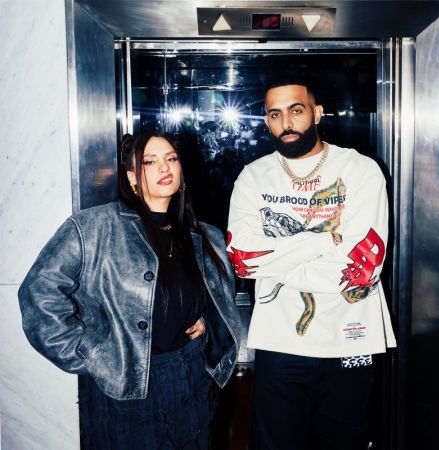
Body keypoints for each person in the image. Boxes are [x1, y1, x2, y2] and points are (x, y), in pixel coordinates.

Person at [18, 131, 241, 450]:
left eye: (171, 159)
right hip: (127, 388)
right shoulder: (94, 227)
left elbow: (221, 294)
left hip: (191, 377)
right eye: (150, 162)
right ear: (132, 177)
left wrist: (206, 320)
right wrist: (92, 354)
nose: (165, 167)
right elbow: (38, 294)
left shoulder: (205, 235)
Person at [226, 80, 396, 450]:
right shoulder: (253, 176)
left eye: (296, 110)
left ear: (317, 114)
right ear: (266, 122)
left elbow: (362, 268)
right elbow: (242, 259)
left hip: (349, 337)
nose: (286, 122)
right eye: (275, 114)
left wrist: (275, 261)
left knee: (343, 442)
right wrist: (322, 241)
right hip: (278, 340)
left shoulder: (360, 170)